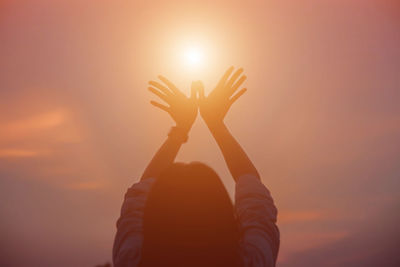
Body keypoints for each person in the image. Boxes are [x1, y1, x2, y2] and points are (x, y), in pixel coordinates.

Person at [113, 67, 280, 267]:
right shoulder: (251, 261)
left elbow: (139, 197)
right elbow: (254, 194)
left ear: (154, 216)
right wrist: (217, 125)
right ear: (224, 216)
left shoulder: (132, 261)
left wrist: (180, 129)